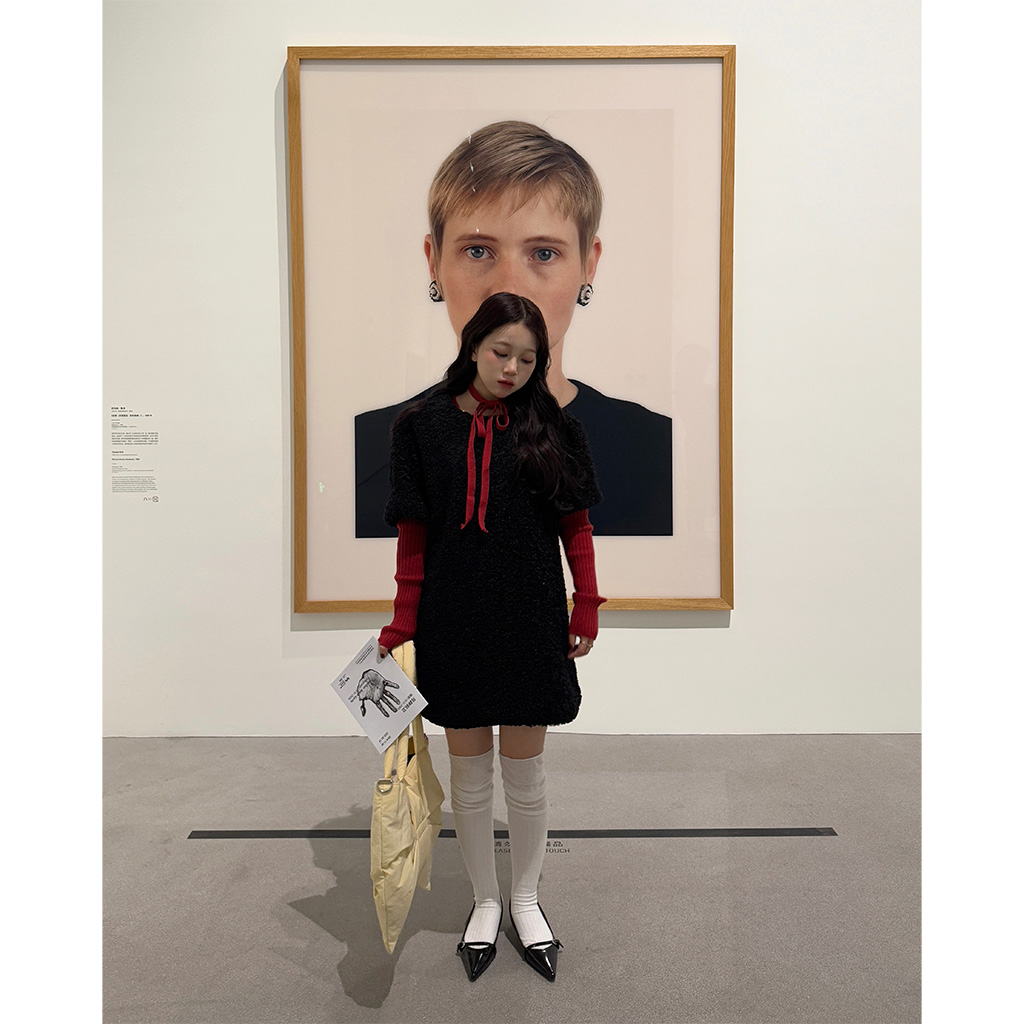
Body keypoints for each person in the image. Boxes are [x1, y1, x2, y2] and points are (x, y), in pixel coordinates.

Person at [376, 292, 605, 983]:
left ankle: (526, 900)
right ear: (473, 343)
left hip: (531, 618)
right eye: (502, 352)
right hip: (453, 620)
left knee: (526, 776)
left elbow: (576, 527)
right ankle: (484, 901)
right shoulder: (419, 427)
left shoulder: (555, 428)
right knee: (470, 778)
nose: (512, 368)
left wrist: (586, 605)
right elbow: (413, 539)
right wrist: (403, 622)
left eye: (528, 359)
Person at [354, 119, 672, 539]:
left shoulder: (658, 451)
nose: (509, 288)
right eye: (477, 250)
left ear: (588, 265)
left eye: (544, 253)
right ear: (434, 263)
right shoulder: (364, 451)